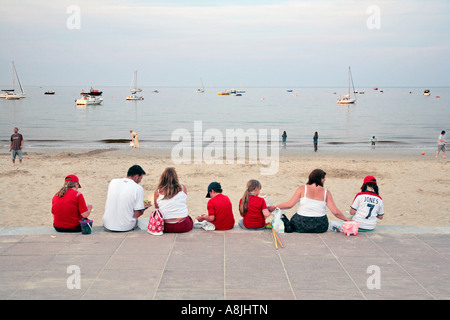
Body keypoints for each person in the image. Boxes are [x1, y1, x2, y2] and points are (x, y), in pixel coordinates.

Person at [268, 169, 350, 233]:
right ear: (320, 179)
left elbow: (290, 204)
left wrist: (275, 207)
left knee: (290, 219)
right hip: (320, 226)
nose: (324, 180)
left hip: (301, 225)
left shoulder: (302, 188)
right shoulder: (326, 192)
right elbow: (335, 211)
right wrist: (346, 219)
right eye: (323, 178)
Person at [102, 165, 151, 232]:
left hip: (107, 225)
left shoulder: (113, 182)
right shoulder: (138, 188)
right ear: (137, 177)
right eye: (140, 178)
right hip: (125, 227)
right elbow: (136, 215)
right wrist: (144, 209)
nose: (140, 181)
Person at [154, 167, 193, 233]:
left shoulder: (158, 192)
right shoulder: (183, 188)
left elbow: (157, 207)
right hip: (182, 225)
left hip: (165, 226)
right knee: (188, 218)